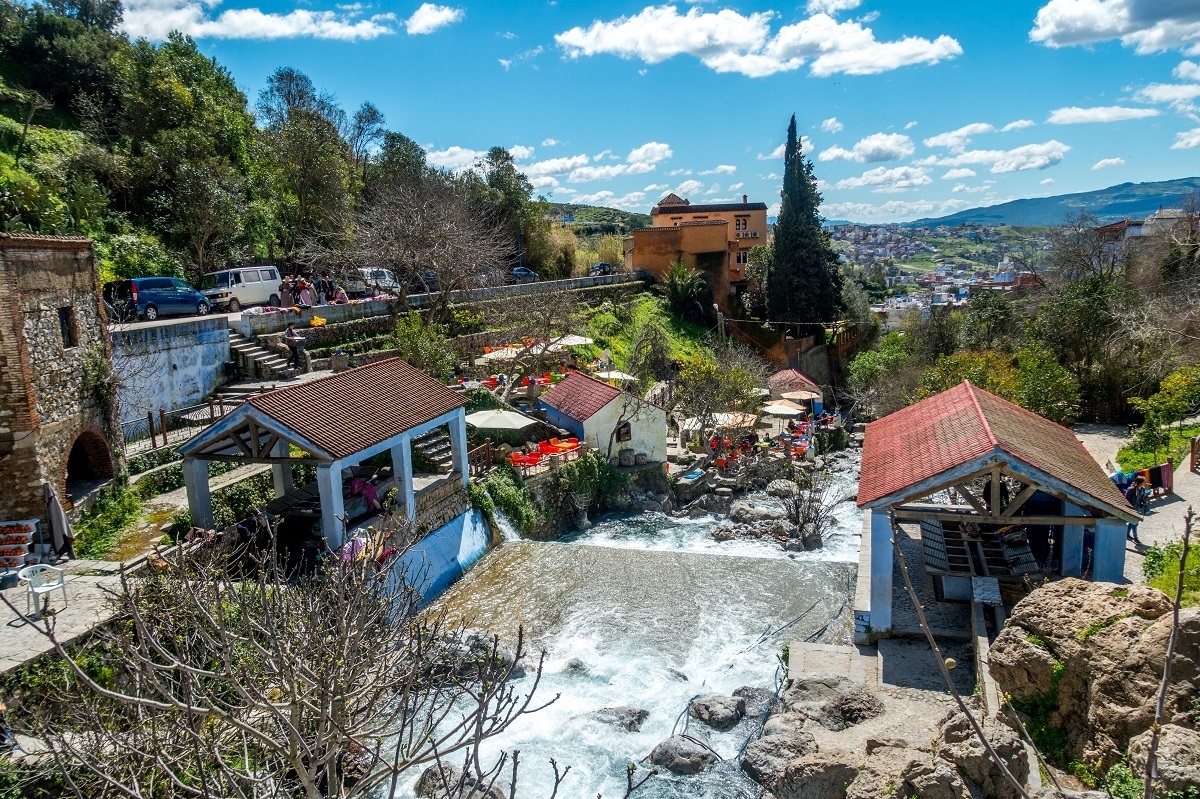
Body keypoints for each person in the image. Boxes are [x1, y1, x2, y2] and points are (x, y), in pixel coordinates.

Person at [1124, 475, 1147, 544]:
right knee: (1135, 523)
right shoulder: (1131, 489)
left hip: (1138, 508)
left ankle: (1126, 534)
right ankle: (1135, 538)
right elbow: (1126, 499)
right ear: (1140, 482)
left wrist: (1144, 502)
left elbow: (1142, 498)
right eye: (1143, 481)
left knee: (1132, 522)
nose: (1145, 482)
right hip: (1132, 508)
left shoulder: (1142, 489)